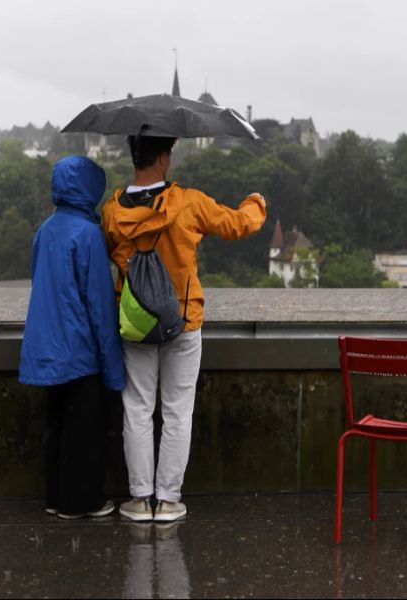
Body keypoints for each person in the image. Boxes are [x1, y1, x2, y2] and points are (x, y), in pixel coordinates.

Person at [102, 135, 266, 522]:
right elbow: (237, 224)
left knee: (137, 409)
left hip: (135, 322)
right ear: (163, 158)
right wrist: (255, 203)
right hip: (183, 320)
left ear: (134, 157)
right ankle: (169, 499)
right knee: (177, 412)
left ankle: (140, 499)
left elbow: (109, 252)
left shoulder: (112, 211)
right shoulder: (188, 202)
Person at [19, 155, 125, 519]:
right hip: (78, 349)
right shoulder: (89, 234)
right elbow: (99, 305)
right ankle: (82, 502)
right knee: (85, 431)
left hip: (45, 345)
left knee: (57, 426)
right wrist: (113, 370)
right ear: (89, 189)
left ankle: (54, 497)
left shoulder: (44, 230)